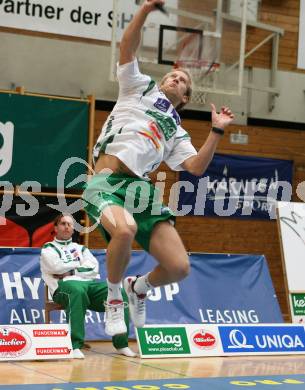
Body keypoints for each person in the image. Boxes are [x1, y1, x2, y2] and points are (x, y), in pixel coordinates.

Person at [82, 0, 234, 337]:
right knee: (124, 230)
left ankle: (139, 287)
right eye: (172, 74)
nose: (175, 78)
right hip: (105, 182)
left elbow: (194, 166)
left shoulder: (177, 130)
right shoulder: (140, 88)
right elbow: (127, 46)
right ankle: (113, 300)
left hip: (140, 190)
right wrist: (146, 10)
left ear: (185, 96)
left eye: (182, 80)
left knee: (179, 267)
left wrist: (217, 131)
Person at [40, 213, 136, 359]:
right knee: (76, 289)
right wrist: (78, 267)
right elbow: (55, 267)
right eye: (63, 224)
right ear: (55, 228)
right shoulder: (48, 249)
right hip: (62, 289)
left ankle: (121, 344)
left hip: (88, 287)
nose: (67, 227)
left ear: (73, 229)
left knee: (119, 291)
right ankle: (74, 345)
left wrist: (70, 270)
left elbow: (93, 269)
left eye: (70, 224)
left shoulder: (82, 249)